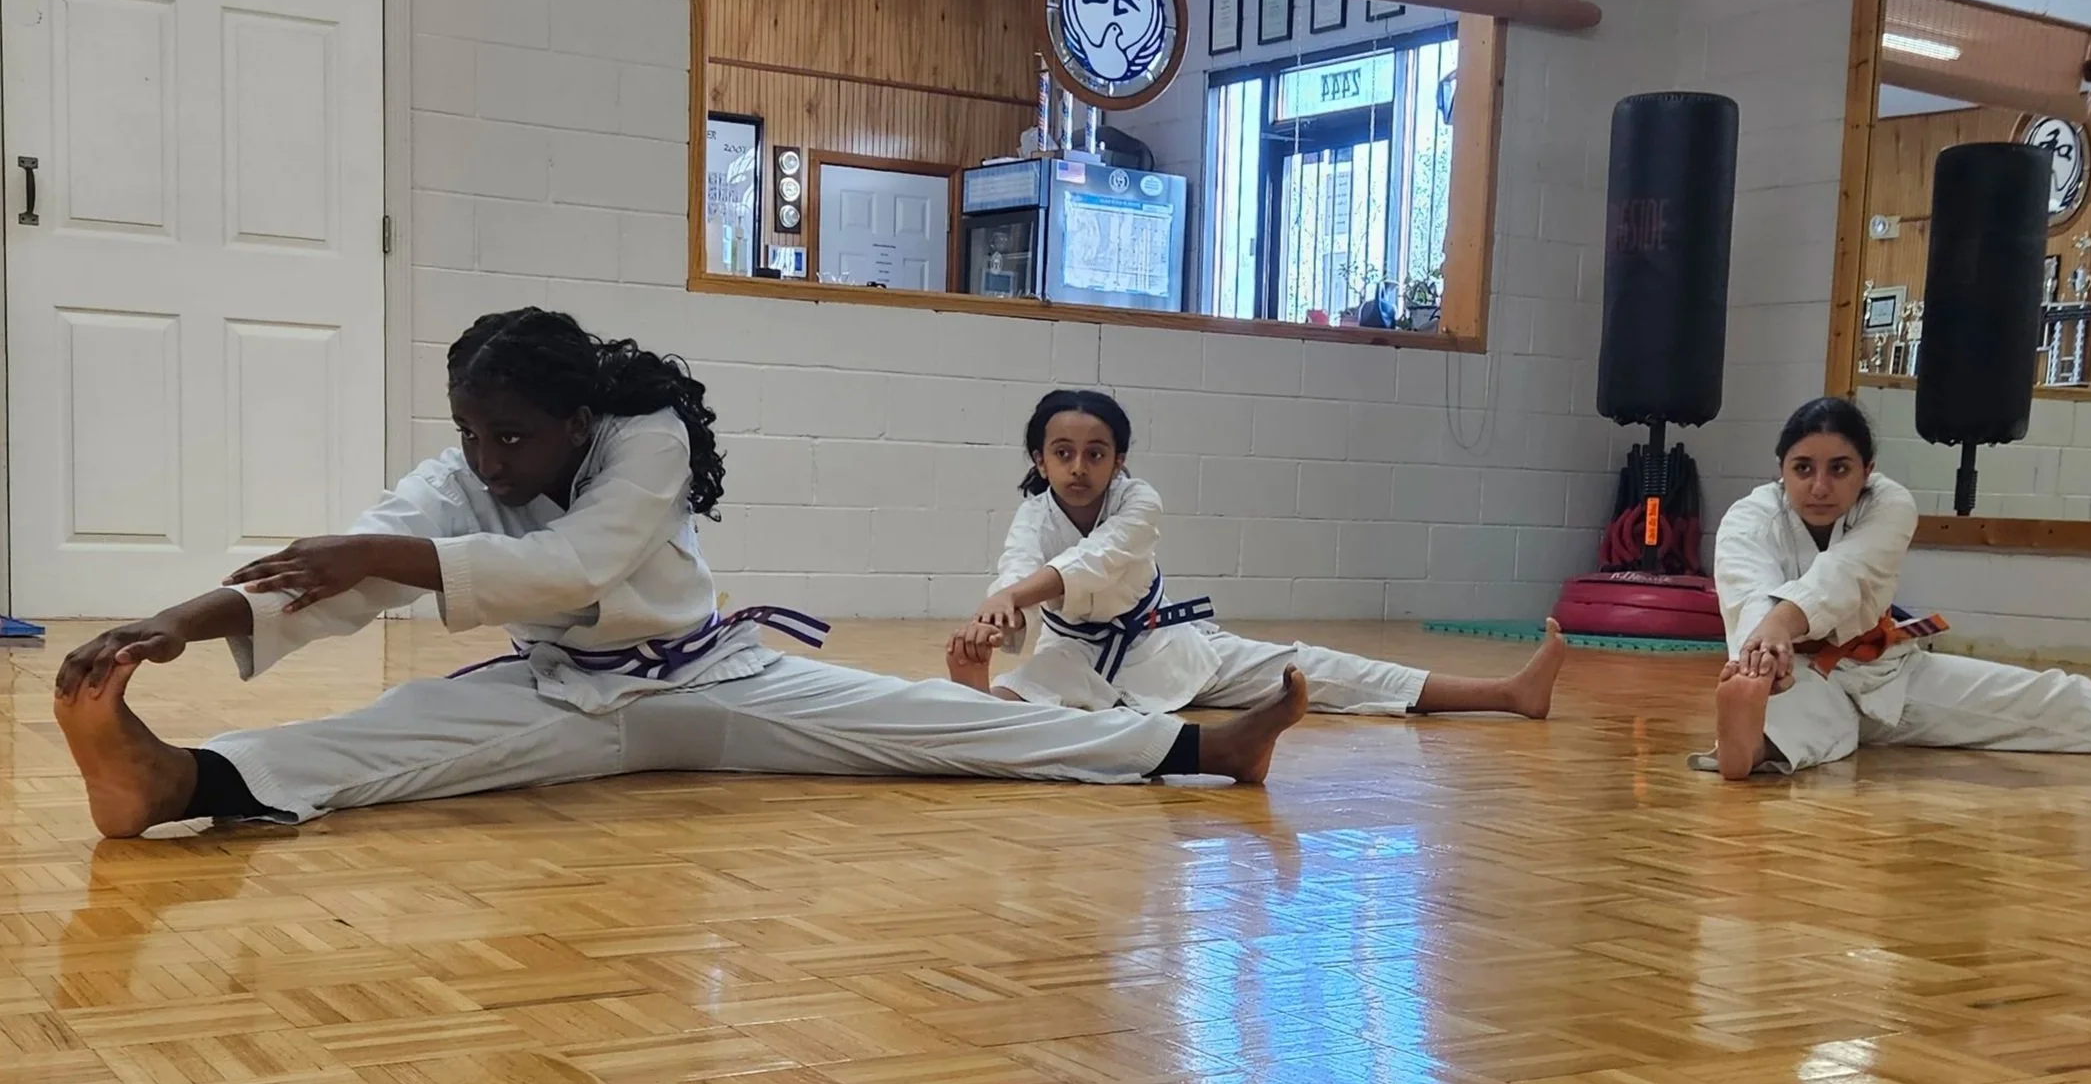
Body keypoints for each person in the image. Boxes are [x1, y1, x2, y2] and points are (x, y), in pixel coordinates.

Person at [51, 310, 1310, 839]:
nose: (489, 456)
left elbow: (575, 561)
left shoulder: (642, 439)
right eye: (471, 430)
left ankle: (1201, 754)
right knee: (376, 734)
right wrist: (176, 617)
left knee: (940, 721)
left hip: (716, 681)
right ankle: (167, 783)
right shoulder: (457, 482)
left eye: (514, 434)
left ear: (575, 417)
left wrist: (374, 551)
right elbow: (326, 577)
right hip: (557, 696)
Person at [944, 388, 1567, 718]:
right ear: (1039, 458)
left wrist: (1010, 598)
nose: (1079, 467)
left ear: (1120, 458)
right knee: (1018, 699)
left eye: (1096, 452)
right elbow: (1017, 570)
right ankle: (975, 693)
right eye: (1063, 452)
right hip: (1075, 655)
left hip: (1168, 646)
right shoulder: (1034, 515)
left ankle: (1507, 693)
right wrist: (997, 620)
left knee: (1319, 670)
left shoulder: (1141, 503)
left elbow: (1097, 561)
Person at [1703, 395, 2091, 779]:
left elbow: (1846, 573)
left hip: (1886, 671)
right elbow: (1747, 593)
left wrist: (1778, 625)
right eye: (1803, 468)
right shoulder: (1750, 517)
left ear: (1867, 470)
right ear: (1781, 469)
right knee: (1807, 726)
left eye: (1839, 468)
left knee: (2050, 699)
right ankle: (1747, 744)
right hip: (1798, 675)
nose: (1820, 485)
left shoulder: (1890, 504)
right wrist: (1761, 661)